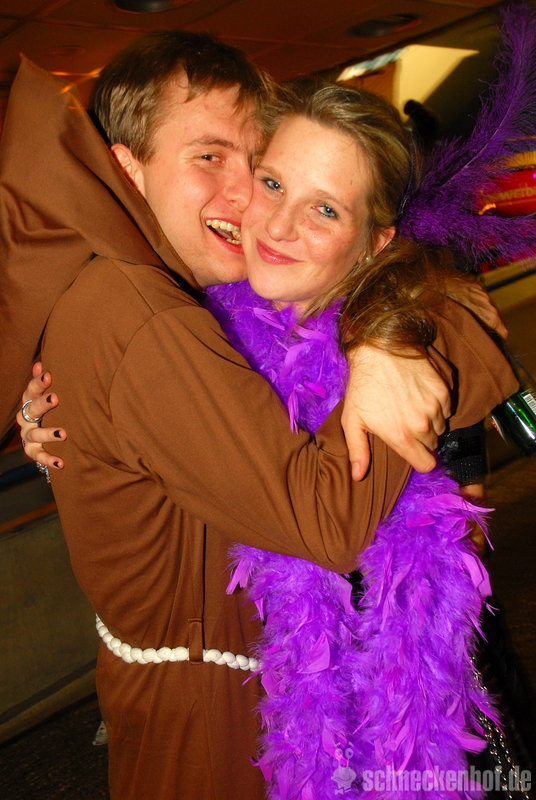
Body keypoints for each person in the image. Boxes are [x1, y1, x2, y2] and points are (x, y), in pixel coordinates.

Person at [2, 33, 517, 800]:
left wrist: (401, 324)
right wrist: (413, 342)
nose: (248, 199)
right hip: (216, 731)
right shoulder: (146, 319)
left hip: (286, 701)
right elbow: (323, 518)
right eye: (209, 157)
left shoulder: (202, 300)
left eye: (257, 165)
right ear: (125, 169)